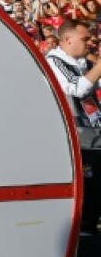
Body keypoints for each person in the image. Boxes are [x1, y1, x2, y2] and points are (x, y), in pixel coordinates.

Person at [46, 19, 101, 234]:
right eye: (85, 38)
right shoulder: (54, 61)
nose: (90, 42)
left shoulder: (83, 62)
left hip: (95, 131)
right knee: (89, 188)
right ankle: (84, 235)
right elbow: (77, 88)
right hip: (78, 137)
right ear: (68, 40)